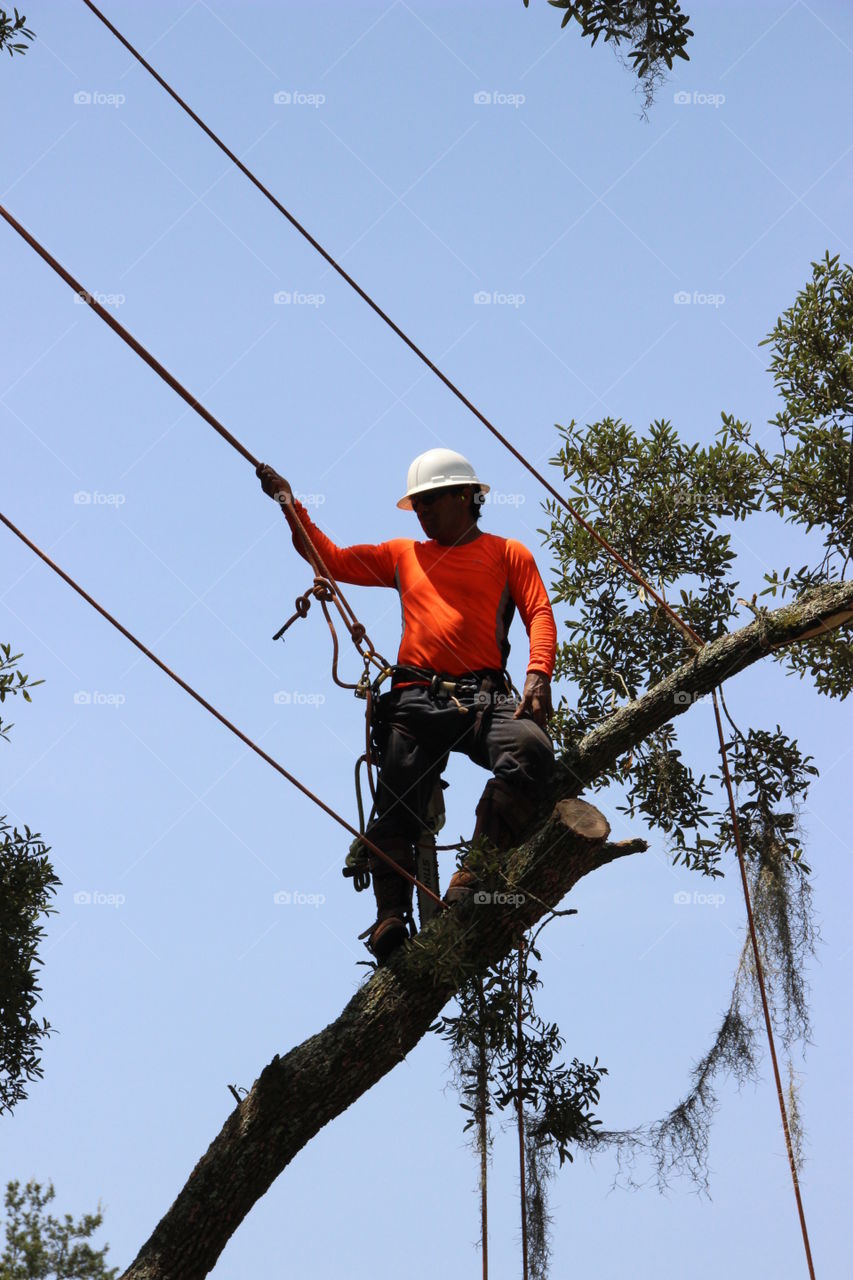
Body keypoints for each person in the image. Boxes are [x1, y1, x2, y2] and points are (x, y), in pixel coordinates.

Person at [257, 448, 557, 961]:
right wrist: (289, 502)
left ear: (465, 496)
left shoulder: (509, 554)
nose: (421, 512)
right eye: (416, 504)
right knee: (395, 801)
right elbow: (329, 558)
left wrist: (538, 674)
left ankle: (477, 870)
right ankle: (391, 919)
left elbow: (539, 612)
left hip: (482, 698)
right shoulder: (404, 555)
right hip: (415, 697)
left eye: (430, 501)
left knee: (531, 750)